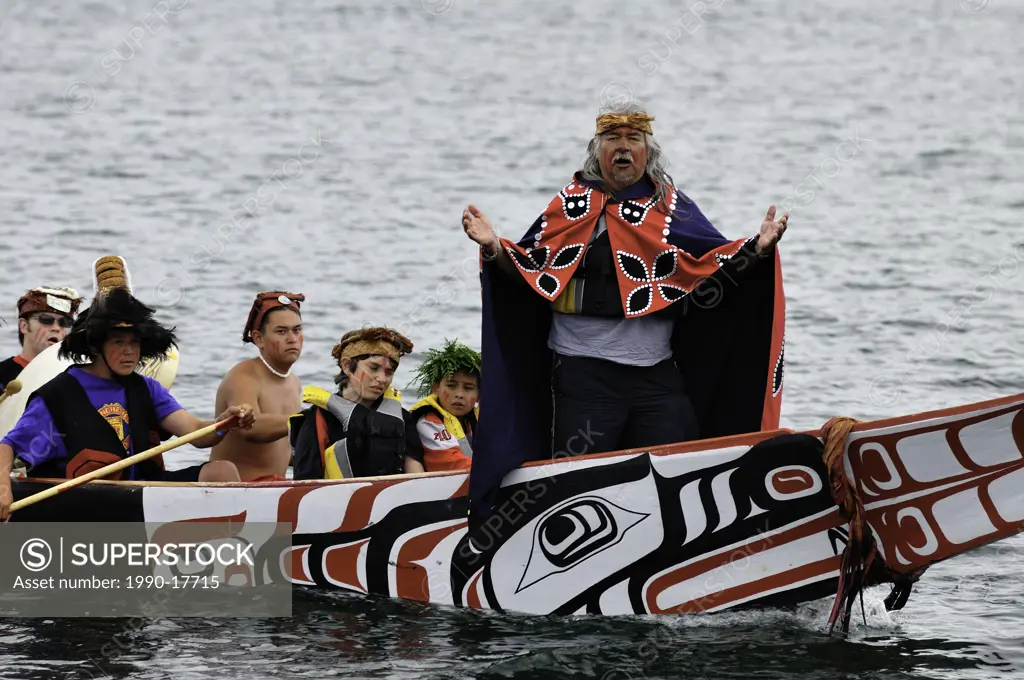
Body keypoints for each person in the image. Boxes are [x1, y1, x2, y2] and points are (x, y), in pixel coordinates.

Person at [460, 100, 790, 527]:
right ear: (597, 151)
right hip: (583, 377)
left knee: (680, 473)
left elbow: (711, 268)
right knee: (584, 484)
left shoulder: (671, 208)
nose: (622, 148)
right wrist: (493, 247)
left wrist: (757, 251)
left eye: (633, 139)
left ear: (647, 152)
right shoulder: (569, 204)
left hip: (656, 377)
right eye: (612, 139)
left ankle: (681, 560)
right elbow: (531, 271)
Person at [0, 285, 254, 519]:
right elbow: (7, 448)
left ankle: (226, 557)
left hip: (143, 498)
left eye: (135, 342)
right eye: (119, 342)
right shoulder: (57, 396)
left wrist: (225, 423)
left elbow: (198, 434)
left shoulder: (146, 388)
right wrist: (3, 489)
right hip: (84, 508)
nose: (130, 351)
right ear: (95, 346)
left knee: (223, 472)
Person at [290, 327, 424, 480]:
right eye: (373, 368)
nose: (381, 378)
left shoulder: (403, 419)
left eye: (389, 372)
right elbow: (304, 485)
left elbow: (416, 479)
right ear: (347, 366)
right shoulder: (317, 420)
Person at [209, 291, 304, 482]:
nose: (292, 338)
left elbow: (281, 451)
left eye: (297, 330)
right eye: (281, 331)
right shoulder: (243, 377)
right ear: (259, 338)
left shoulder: (294, 382)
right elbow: (251, 428)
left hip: (276, 489)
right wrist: (306, 421)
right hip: (236, 492)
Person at [406, 339, 480, 472]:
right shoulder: (428, 422)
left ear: (479, 395)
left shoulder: (479, 417)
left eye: (468, 388)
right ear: (436, 388)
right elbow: (451, 462)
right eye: (451, 386)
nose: (459, 394)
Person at [0, 287, 83, 390]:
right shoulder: (2, 375)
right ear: (24, 326)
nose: (56, 328)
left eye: (64, 323)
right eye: (46, 320)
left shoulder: (76, 377)